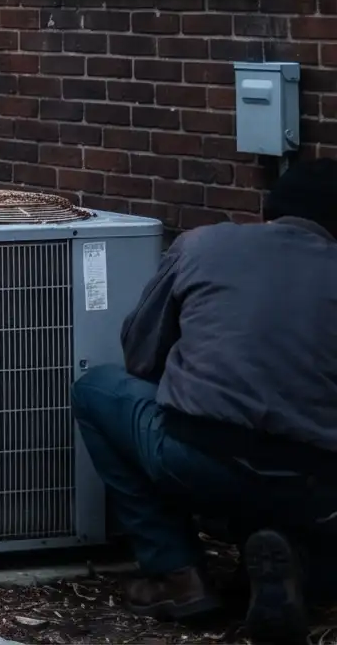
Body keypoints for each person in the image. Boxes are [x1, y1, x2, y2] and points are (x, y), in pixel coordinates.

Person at [72, 157, 337, 643]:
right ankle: (295, 566)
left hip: (199, 458)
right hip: (314, 484)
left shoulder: (204, 244)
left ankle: (176, 573)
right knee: (291, 466)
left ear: (267, 209)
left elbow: (140, 356)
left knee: (97, 390)